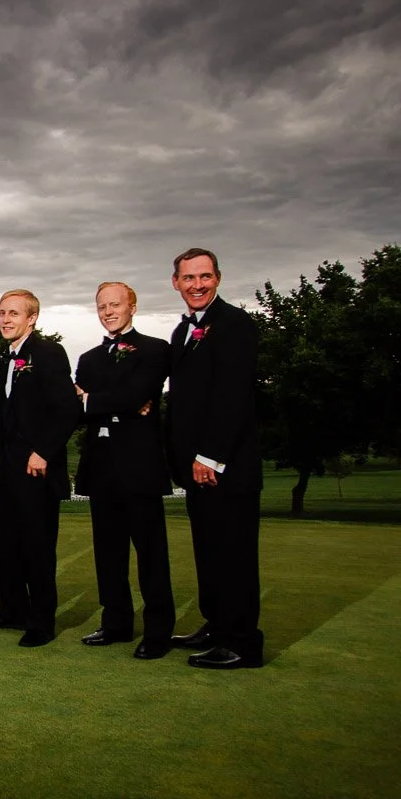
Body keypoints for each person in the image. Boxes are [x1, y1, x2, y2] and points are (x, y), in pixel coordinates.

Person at [166, 247, 264, 669]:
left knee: (234, 555)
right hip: (197, 469)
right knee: (209, 551)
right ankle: (217, 624)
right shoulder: (183, 331)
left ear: (218, 279)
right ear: (176, 283)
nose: (197, 285)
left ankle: (242, 643)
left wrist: (210, 456)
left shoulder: (235, 324)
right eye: (189, 278)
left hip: (226, 468)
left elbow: (233, 397)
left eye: (205, 277)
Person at [74, 281, 175, 660]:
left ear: (132, 305)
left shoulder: (154, 349)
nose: (108, 311)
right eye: (102, 306)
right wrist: (119, 403)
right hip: (101, 466)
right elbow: (115, 402)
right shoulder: (88, 358)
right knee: (108, 551)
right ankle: (115, 623)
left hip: (140, 465)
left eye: (115, 304)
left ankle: (158, 631)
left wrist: (94, 401)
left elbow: (139, 393)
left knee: (151, 552)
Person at [0, 289, 79, 647]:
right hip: (6, 470)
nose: (5, 319)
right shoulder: (6, 359)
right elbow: (4, 417)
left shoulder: (48, 352)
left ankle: (41, 622)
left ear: (32, 318)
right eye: (2, 312)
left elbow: (67, 409)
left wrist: (43, 452)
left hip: (36, 469)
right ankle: (11, 610)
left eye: (13, 314)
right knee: (5, 544)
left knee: (37, 546)